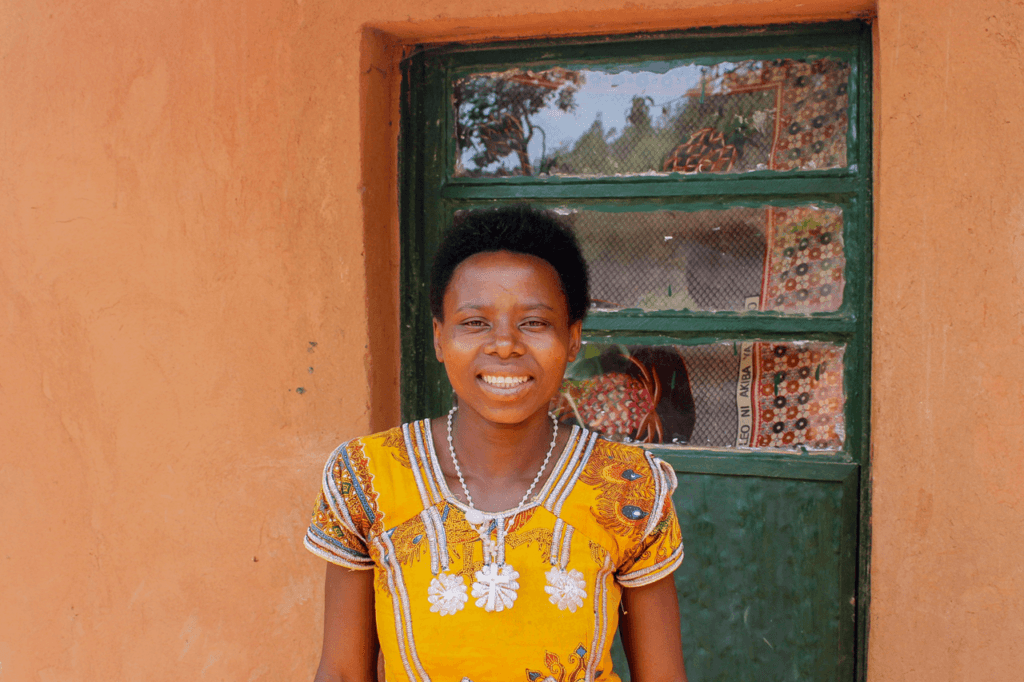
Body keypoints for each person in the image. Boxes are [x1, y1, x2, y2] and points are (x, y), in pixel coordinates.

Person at [305, 206, 688, 682]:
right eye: (475, 323)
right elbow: (342, 672)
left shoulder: (628, 487)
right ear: (440, 338)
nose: (504, 345)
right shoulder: (366, 476)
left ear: (572, 341)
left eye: (533, 323)